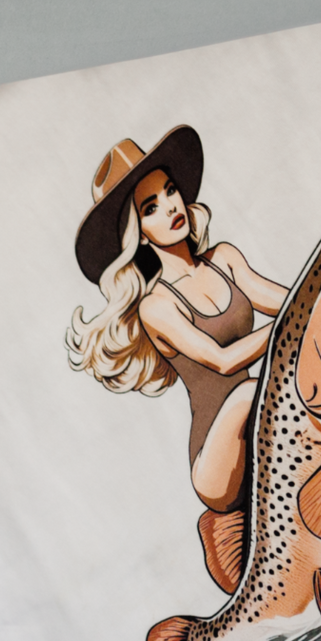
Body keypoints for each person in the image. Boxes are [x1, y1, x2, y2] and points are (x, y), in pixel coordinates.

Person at [67, 128, 286, 520]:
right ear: (139, 235)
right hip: (217, 459)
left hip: (263, 420)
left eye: (170, 190)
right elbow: (221, 361)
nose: (170, 207)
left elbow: (287, 300)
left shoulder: (225, 258)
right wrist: (290, 324)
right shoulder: (157, 306)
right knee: (250, 391)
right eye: (150, 207)